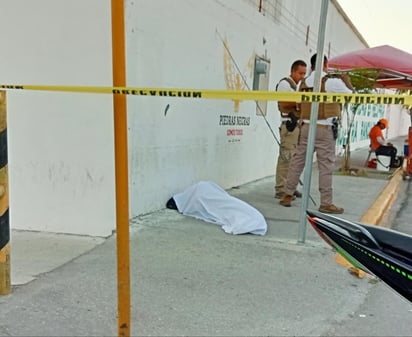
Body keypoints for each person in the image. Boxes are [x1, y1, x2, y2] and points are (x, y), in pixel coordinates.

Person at [279, 54, 354, 214]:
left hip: (305, 127)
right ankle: (326, 203)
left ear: (312, 65)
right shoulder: (332, 82)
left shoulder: (302, 82)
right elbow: (351, 95)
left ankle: (287, 194)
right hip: (324, 128)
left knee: (297, 162)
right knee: (325, 166)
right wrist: (346, 81)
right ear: (325, 65)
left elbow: (299, 103)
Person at [274, 60, 307, 199]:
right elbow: (283, 102)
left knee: (294, 159)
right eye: (300, 73)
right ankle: (281, 188)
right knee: (286, 158)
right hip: (289, 124)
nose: (302, 76)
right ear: (293, 71)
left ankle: (289, 187)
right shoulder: (285, 84)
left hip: (296, 125)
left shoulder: (296, 86)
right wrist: (299, 102)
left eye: (304, 74)